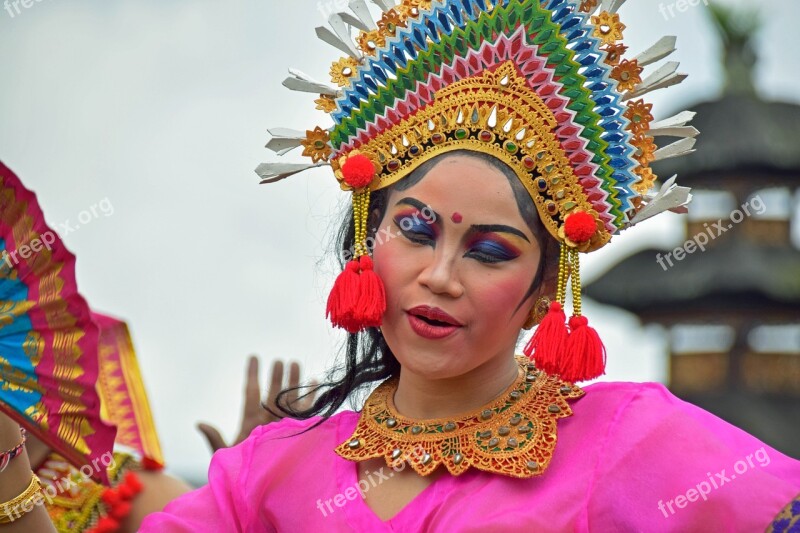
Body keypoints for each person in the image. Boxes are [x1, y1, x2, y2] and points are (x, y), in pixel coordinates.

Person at [140, 1, 800, 531]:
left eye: (489, 252)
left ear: (546, 289)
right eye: (415, 230)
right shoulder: (270, 471)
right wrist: (27, 470)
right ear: (370, 240)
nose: (441, 276)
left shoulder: (626, 441)